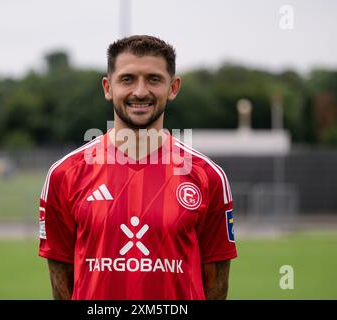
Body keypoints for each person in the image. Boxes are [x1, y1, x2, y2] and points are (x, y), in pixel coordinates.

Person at [38, 35, 237, 300]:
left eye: (154, 79)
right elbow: (62, 283)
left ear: (173, 87)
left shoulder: (207, 176)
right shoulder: (65, 175)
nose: (140, 92)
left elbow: (216, 286)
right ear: (108, 87)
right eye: (127, 79)